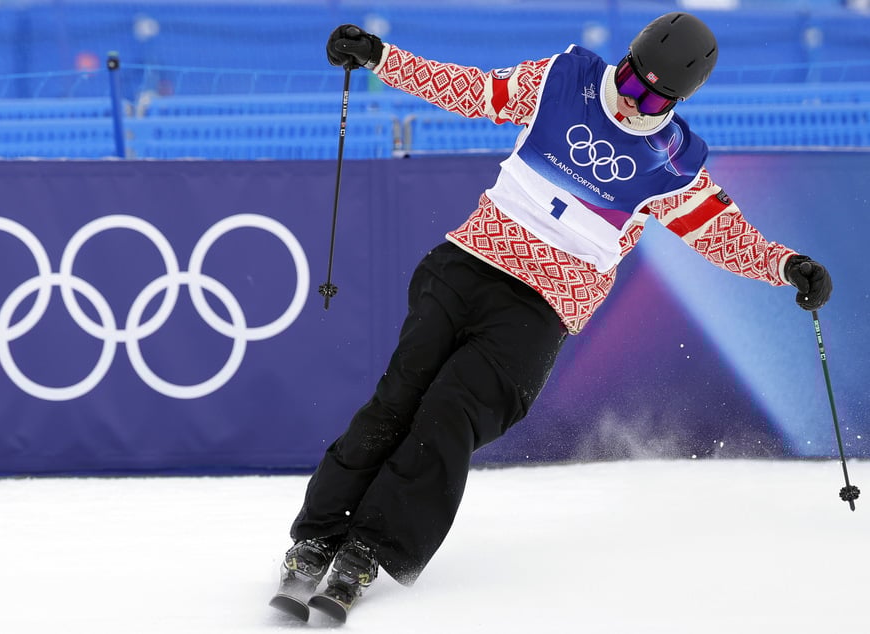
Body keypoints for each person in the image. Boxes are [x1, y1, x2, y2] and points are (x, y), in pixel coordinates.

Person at [273, 12, 833, 616]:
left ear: (678, 99)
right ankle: (316, 537)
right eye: (630, 79)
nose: (631, 101)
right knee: (397, 400)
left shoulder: (674, 163)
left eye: (650, 97)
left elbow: (722, 233)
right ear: (624, 59)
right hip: (467, 264)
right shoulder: (566, 77)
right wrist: (381, 56)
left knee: (449, 413)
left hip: (540, 308)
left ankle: (368, 551)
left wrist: (785, 264)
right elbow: (473, 90)